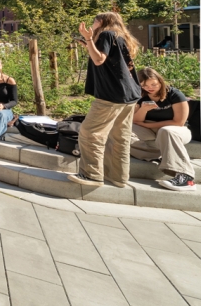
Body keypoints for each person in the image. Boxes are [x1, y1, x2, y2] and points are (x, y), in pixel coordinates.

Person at [69, 12, 142, 188]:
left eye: (94, 21)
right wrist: (89, 43)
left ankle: (91, 175)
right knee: (120, 138)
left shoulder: (106, 34)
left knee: (89, 133)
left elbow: (99, 59)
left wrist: (88, 40)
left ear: (101, 21)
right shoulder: (120, 36)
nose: (92, 24)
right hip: (129, 95)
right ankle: (118, 178)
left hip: (111, 96)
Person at [130, 67, 195, 191]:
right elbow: (136, 121)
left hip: (175, 130)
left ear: (160, 81)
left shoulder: (174, 94)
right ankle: (159, 155)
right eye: (144, 85)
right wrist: (143, 109)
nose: (150, 88)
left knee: (166, 131)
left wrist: (147, 125)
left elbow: (179, 122)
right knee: (119, 130)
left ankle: (186, 178)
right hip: (148, 130)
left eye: (153, 84)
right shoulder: (139, 95)